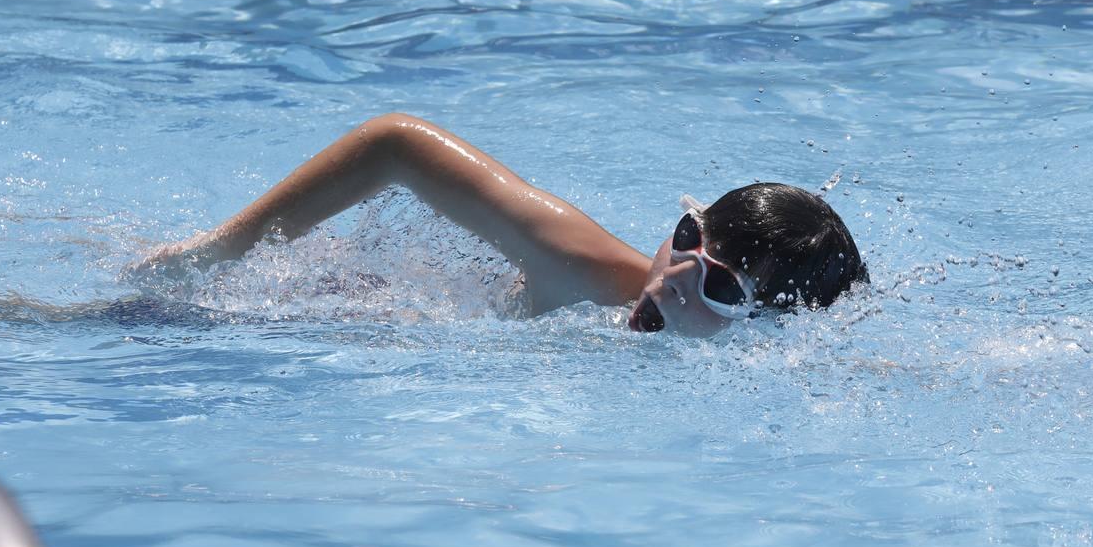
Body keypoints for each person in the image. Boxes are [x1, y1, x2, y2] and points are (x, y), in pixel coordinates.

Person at [129, 113, 867, 336]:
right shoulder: (576, 266)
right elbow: (395, 143)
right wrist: (221, 251)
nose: (675, 280)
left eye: (721, 291)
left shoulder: (772, 362)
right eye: (683, 244)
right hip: (323, 305)